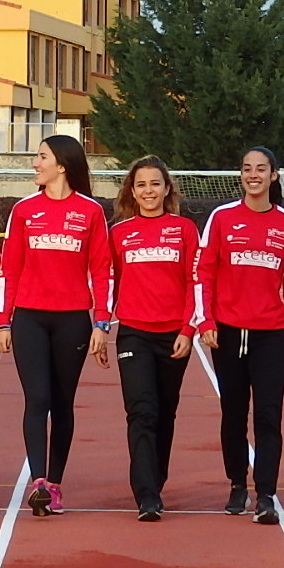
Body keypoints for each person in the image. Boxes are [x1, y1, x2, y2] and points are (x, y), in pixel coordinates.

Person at [0, 134, 113, 517]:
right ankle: (39, 482)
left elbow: (102, 270)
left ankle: (56, 484)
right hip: (29, 317)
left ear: (61, 164)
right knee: (38, 398)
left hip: (73, 320)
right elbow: (8, 269)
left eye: (40, 157)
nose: (34, 163)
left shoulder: (91, 212)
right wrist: (2, 322)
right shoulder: (25, 210)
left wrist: (101, 323)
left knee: (62, 403)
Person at [197, 146, 284, 525]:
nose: (253, 175)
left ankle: (267, 493)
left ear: (274, 175)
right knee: (233, 413)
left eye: (261, 169)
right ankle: (237, 484)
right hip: (227, 331)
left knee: (268, 416)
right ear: (240, 175)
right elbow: (205, 272)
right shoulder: (222, 218)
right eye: (247, 169)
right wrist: (206, 320)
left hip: (270, 335)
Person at [102, 156, 199, 521]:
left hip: (174, 335)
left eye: (155, 184)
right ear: (132, 191)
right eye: (141, 185)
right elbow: (109, 282)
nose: (148, 191)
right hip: (134, 334)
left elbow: (195, 283)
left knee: (164, 413)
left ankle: (156, 478)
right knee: (141, 411)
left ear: (167, 188)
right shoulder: (120, 233)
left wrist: (188, 329)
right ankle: (146, 494)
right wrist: (100, 326)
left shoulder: (185, 230)